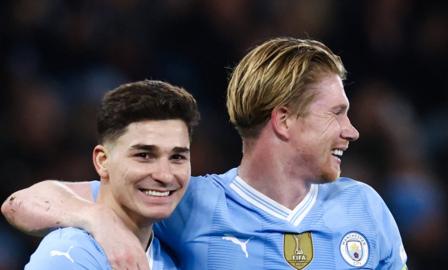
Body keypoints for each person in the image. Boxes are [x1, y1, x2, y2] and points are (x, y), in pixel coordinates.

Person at [2, 37, 407, 269]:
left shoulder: (365, 207)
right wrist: (97, 220)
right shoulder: (187, 201)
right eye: (336, 114)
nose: (351, 131)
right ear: (283, 120)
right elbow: (22, 203)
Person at [19, 80, 200, 269]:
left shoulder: (174, 257)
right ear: (102, 161)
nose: (165, 175)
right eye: (144, 155)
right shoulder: (69, 254)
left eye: (177, 157)